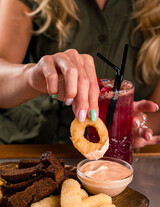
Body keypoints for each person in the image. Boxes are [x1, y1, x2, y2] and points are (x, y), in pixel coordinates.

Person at [0, 0, 159, 149]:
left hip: (120, 160)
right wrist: (31, 76)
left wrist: (137, 124)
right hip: (26, 144)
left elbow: (156, 110)